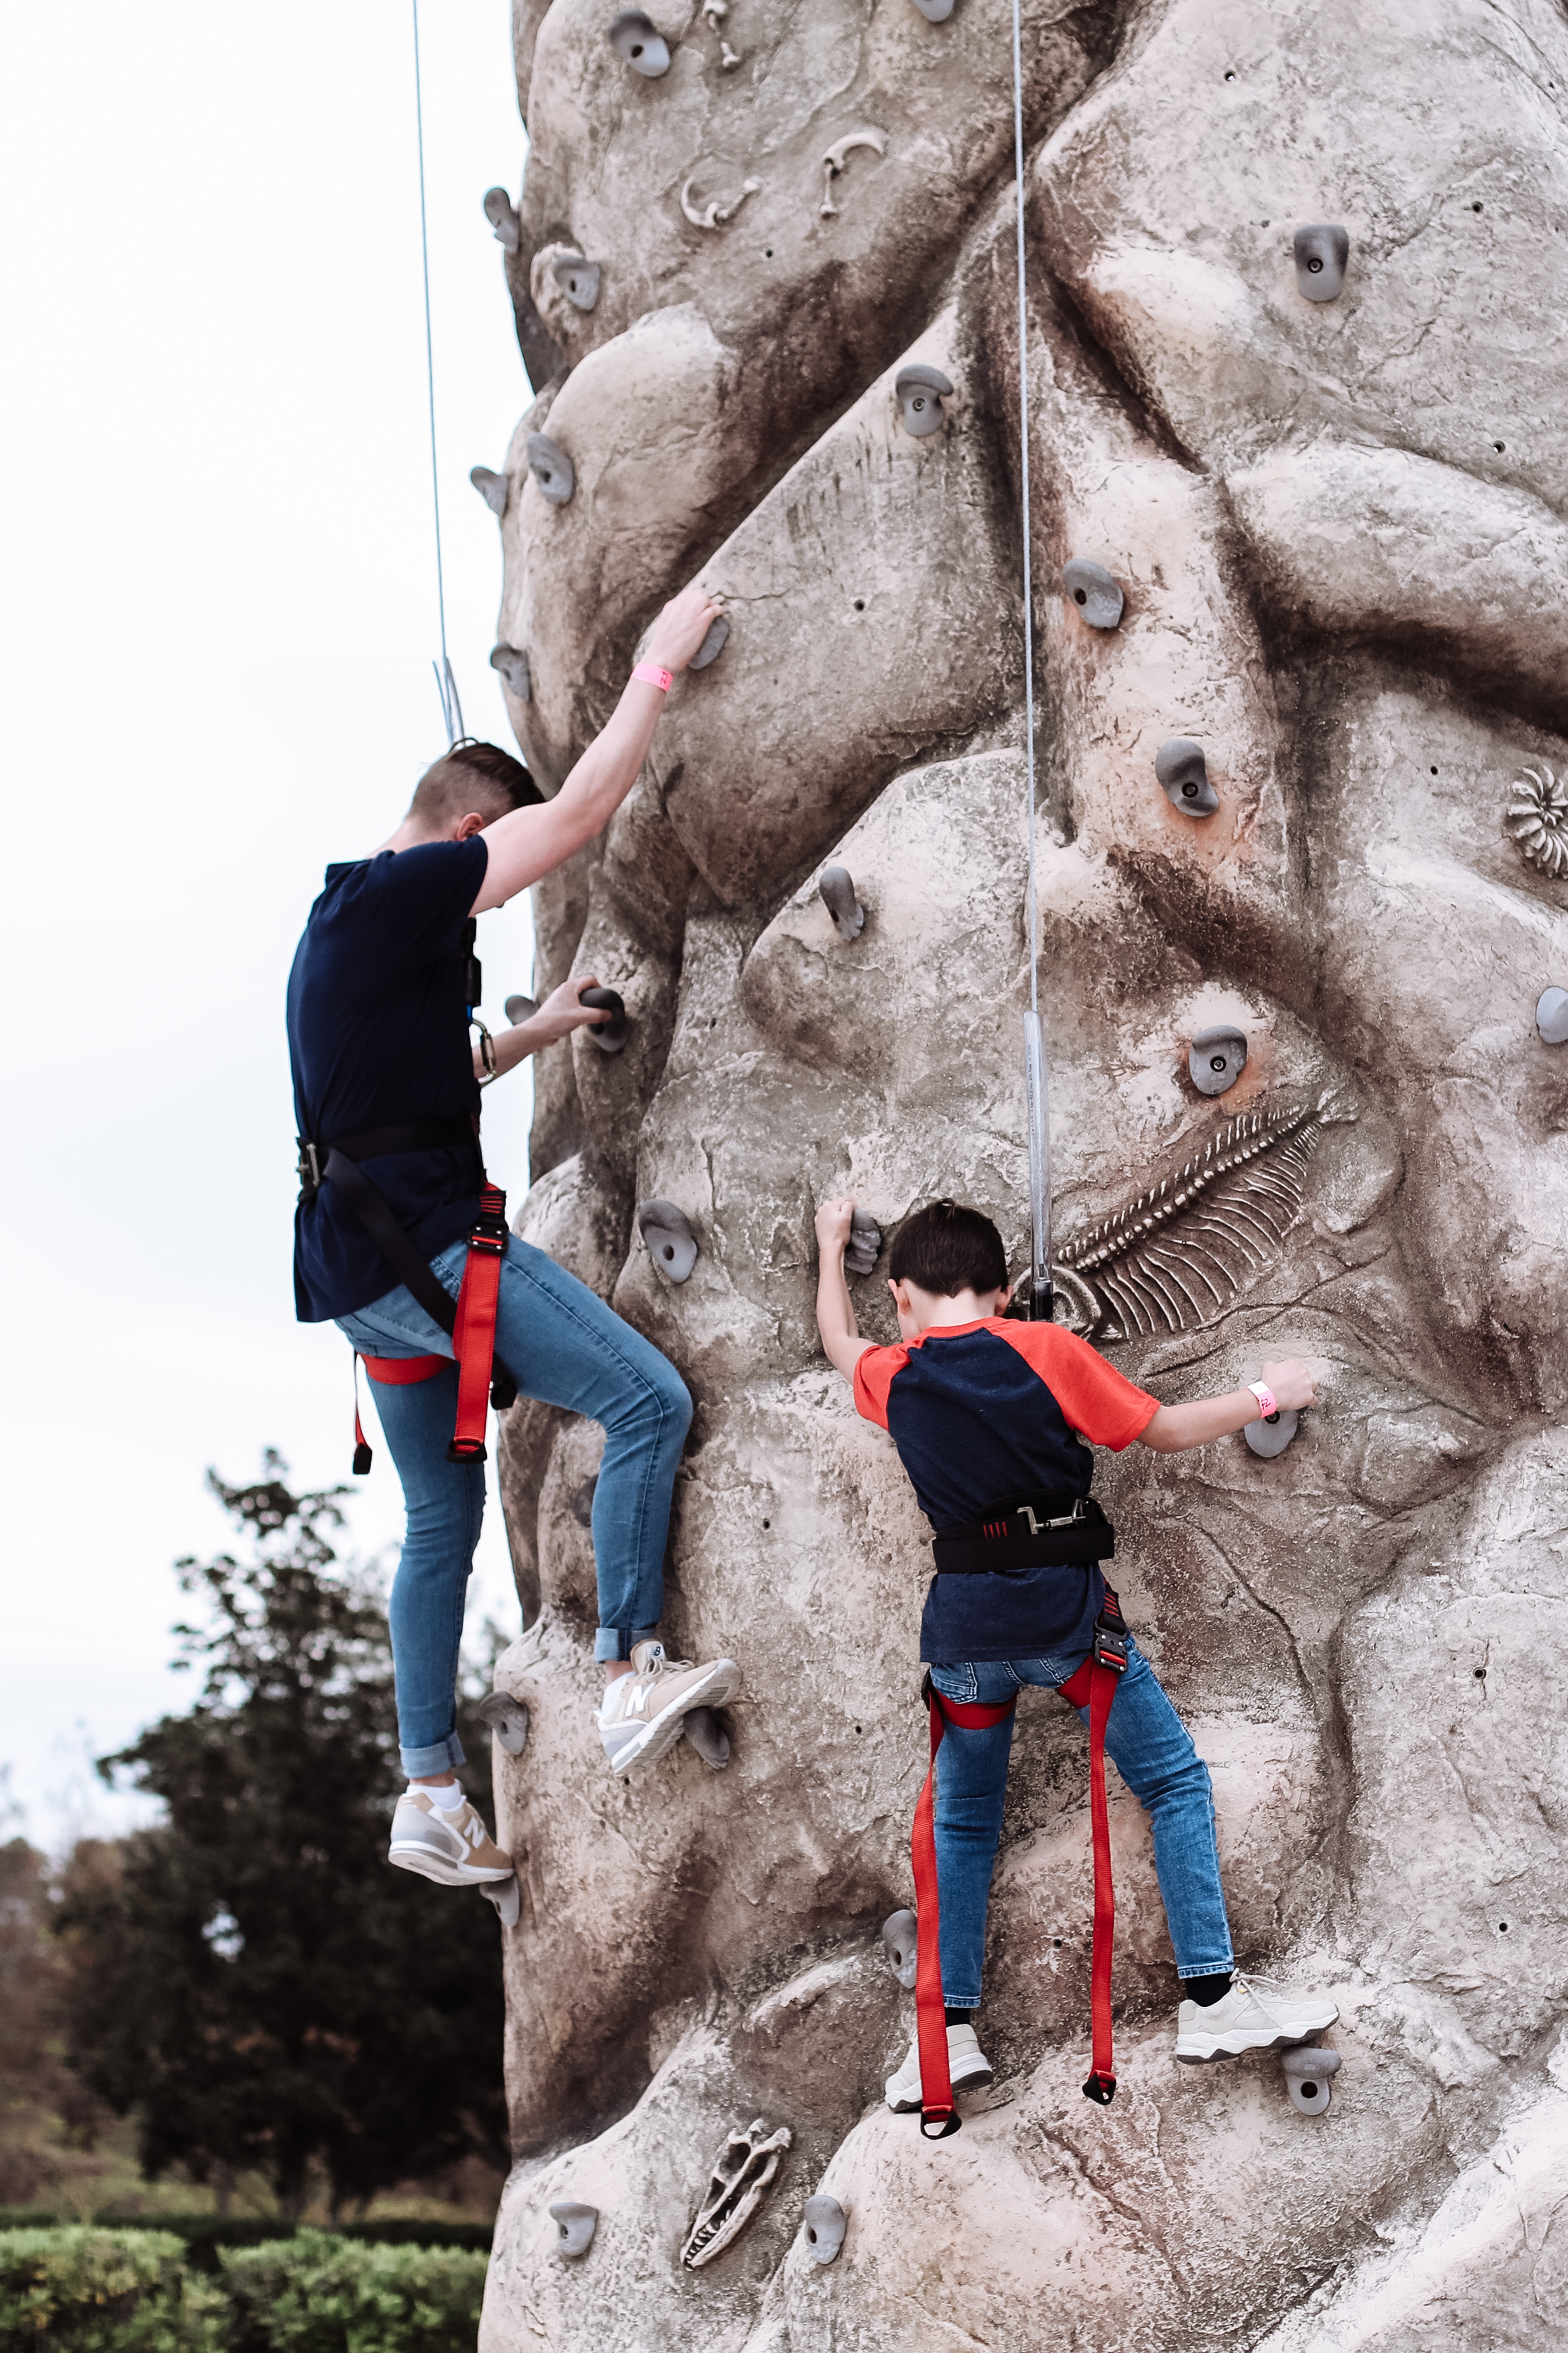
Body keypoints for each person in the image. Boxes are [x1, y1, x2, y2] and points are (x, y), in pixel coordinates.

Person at [287, 587, 740, 1895]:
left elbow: (424, 1076)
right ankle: (626, 1670)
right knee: (649, 1399)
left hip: (356, 1270)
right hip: (425, 1248)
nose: (481, 910)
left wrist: (540, 1031)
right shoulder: (407, 892)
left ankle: (427, 1791)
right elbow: (584, 813)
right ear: (472, 834)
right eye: (487, 881)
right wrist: (652, 667)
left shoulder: (337, 930)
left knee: (440, 1516)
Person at [813, 1193, 1338, 2109]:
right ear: (1005, 1290)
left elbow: (836, 1343)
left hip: (964, 1636)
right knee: (1171, 1781)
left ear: (900, 1294)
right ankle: (1209, 1994)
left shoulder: (893, 1373)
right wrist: (1270, 1393)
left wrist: (828, 1249)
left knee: (963, 1826)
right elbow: (1162, 1430)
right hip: (1063, 1621)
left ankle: (949, 2040)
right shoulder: (1044, 1349)